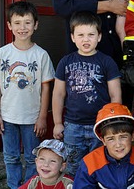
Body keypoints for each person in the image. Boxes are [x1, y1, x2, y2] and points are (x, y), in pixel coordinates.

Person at [0, 1, 55, 189]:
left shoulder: (41, 55)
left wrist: (43, 116)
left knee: (34, 157)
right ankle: (14, 185)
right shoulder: (2, 54)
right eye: (17, 23)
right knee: (11, 156)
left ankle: (30, 185)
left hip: (32, 118)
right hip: (7, 116)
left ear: (35, 25)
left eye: (27, 22)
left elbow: (46, 88)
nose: (22, 28)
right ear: (9, 25)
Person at [51, 11, 123, 175]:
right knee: (73, 168)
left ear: (99, 36)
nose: (86, 39)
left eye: (91, 34)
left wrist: (111, 122)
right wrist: (57, 123)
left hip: (100, 126)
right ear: (72, 37)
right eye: (81, 35)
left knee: (101, 165)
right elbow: (58, 94)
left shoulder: (107, 62)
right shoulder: (65, 62)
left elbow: (115, 95)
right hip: (73, 126)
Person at [73, 103, 134, 188]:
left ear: (133, 136)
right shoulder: (90, 163)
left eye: (123, 137)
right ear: (103, 140)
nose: (118, 144)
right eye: (111, 139)